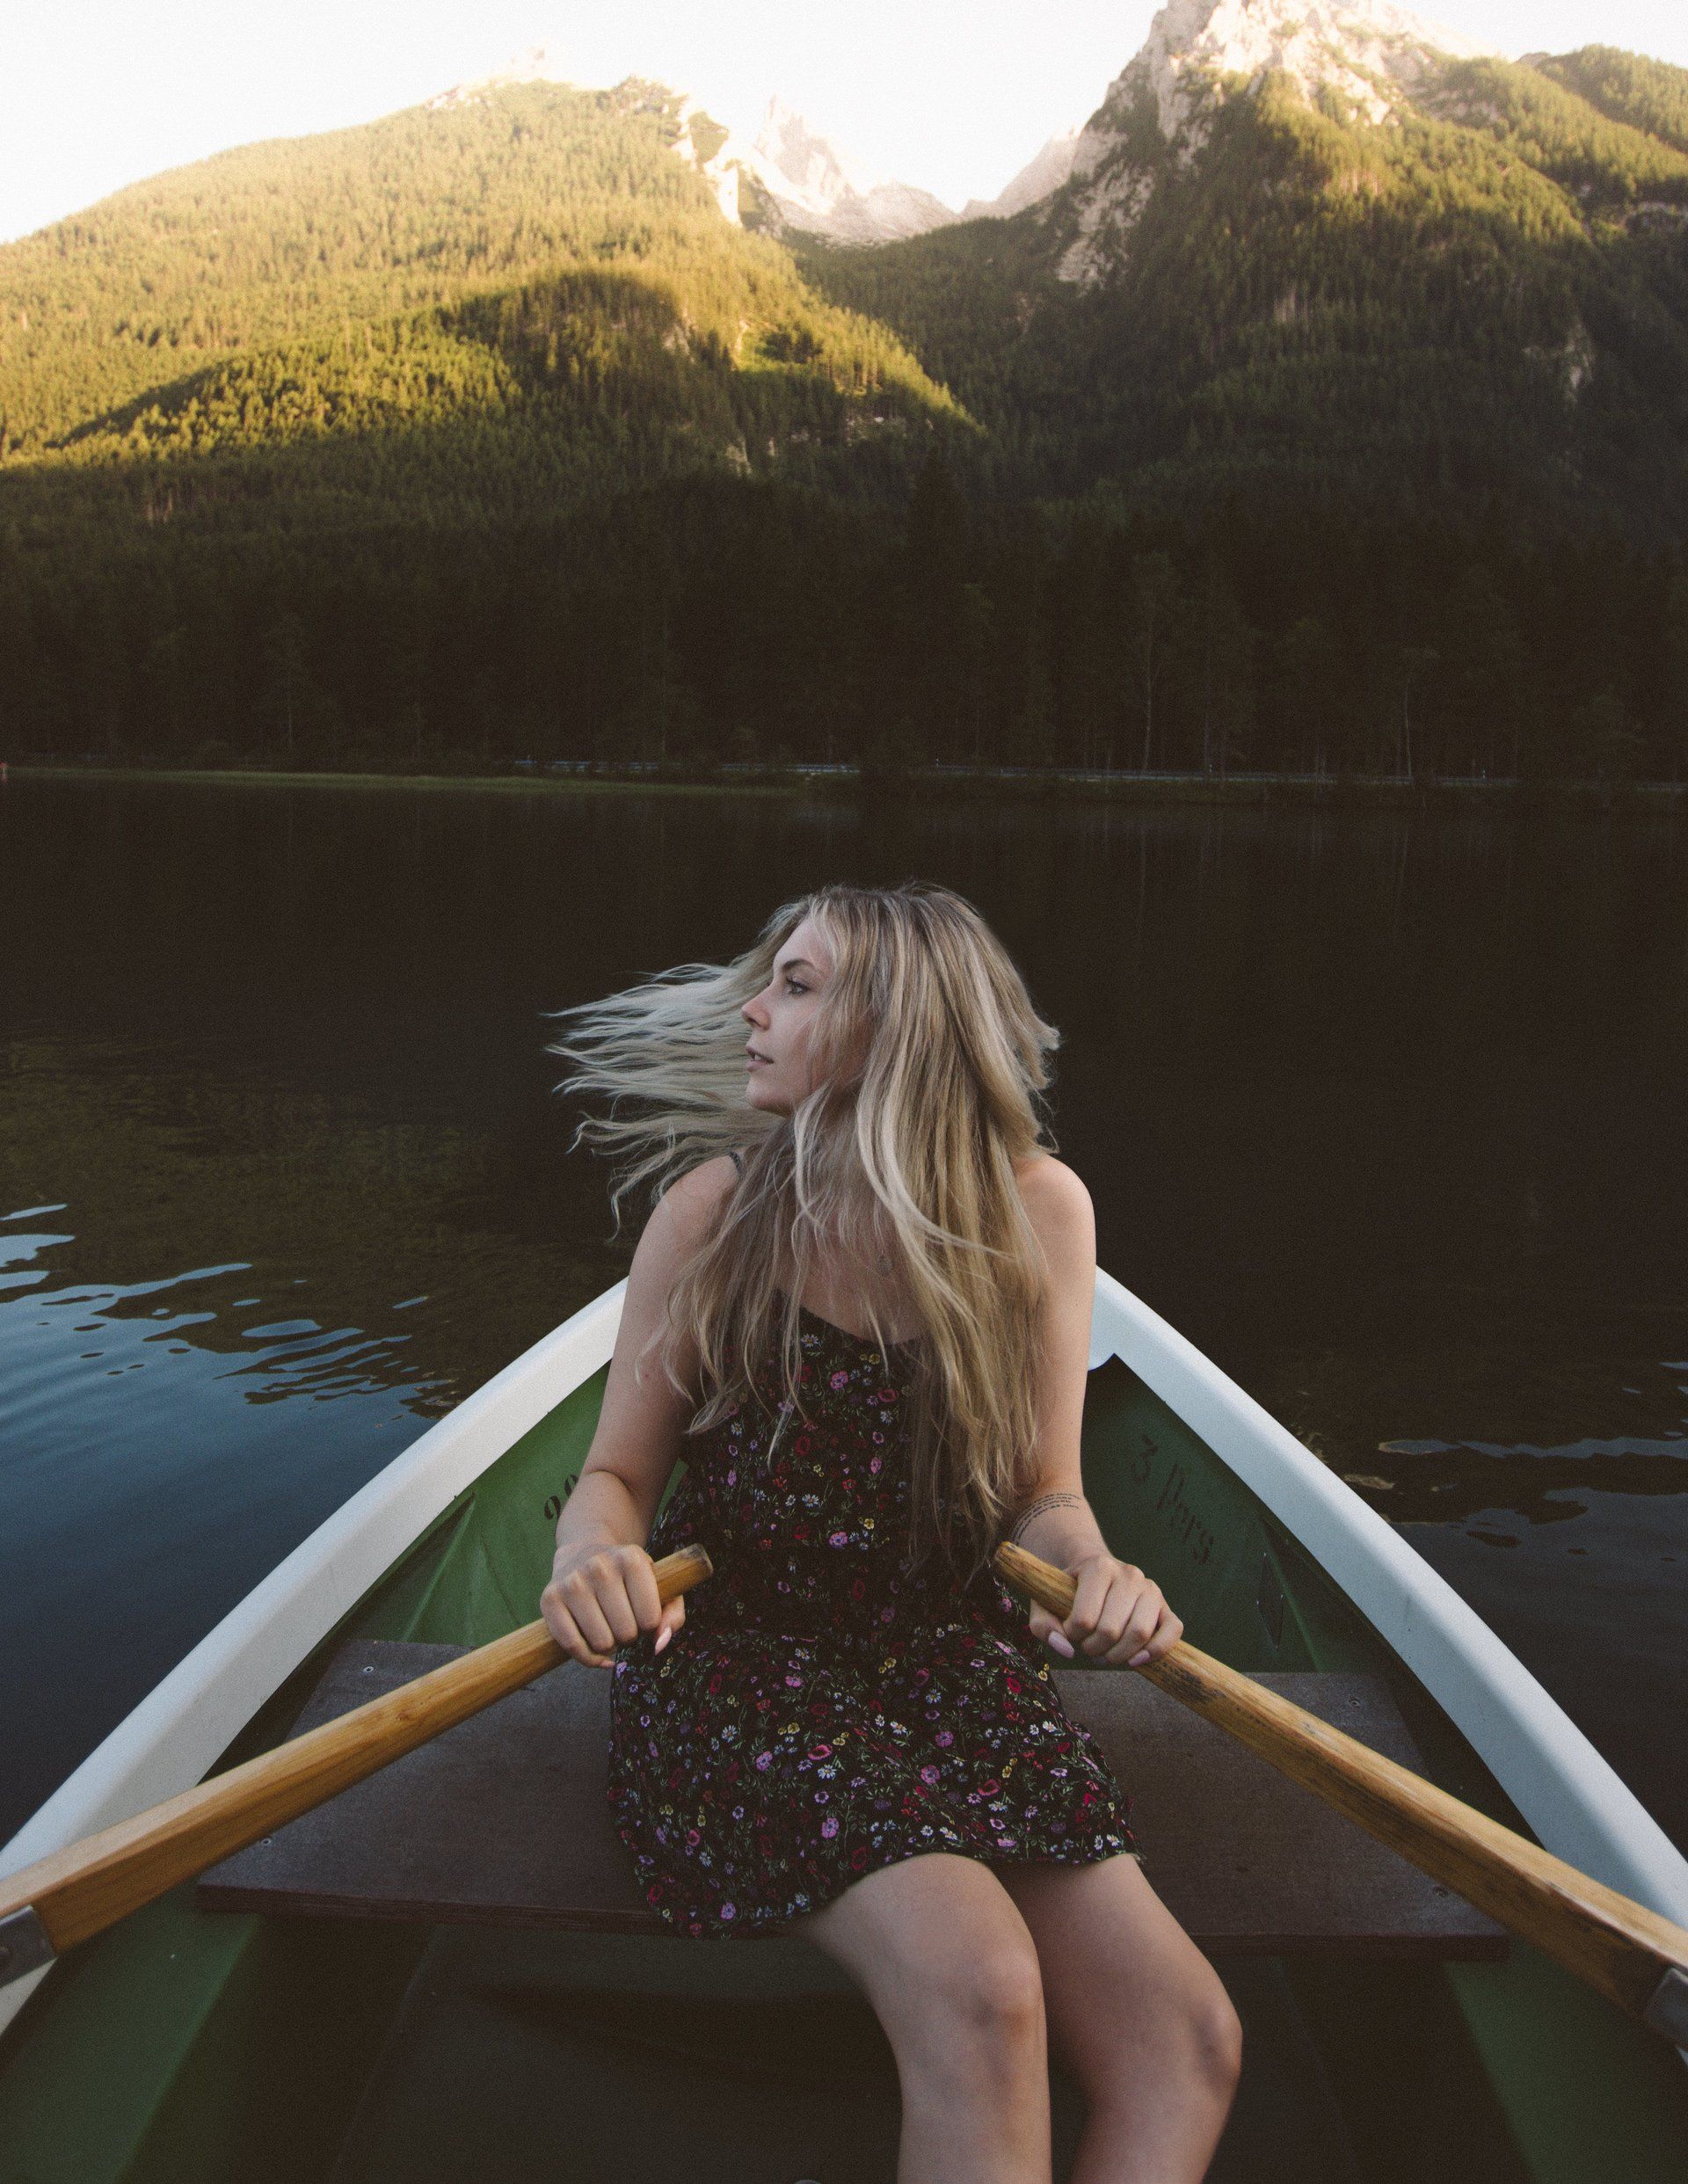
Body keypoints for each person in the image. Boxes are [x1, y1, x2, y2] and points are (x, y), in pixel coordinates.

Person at [540, 881, 1241, 2184]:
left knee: (1186, 2040)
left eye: (796, 986)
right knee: (984, 1985)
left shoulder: (1037, 1213)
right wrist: (591, 1559)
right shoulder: (715, 1217)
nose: (752, 1009)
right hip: (744, 1671)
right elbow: (613, 1483)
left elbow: (1047, 1494)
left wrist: (1092, 1570)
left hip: (951, 1664)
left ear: (897, 1028)